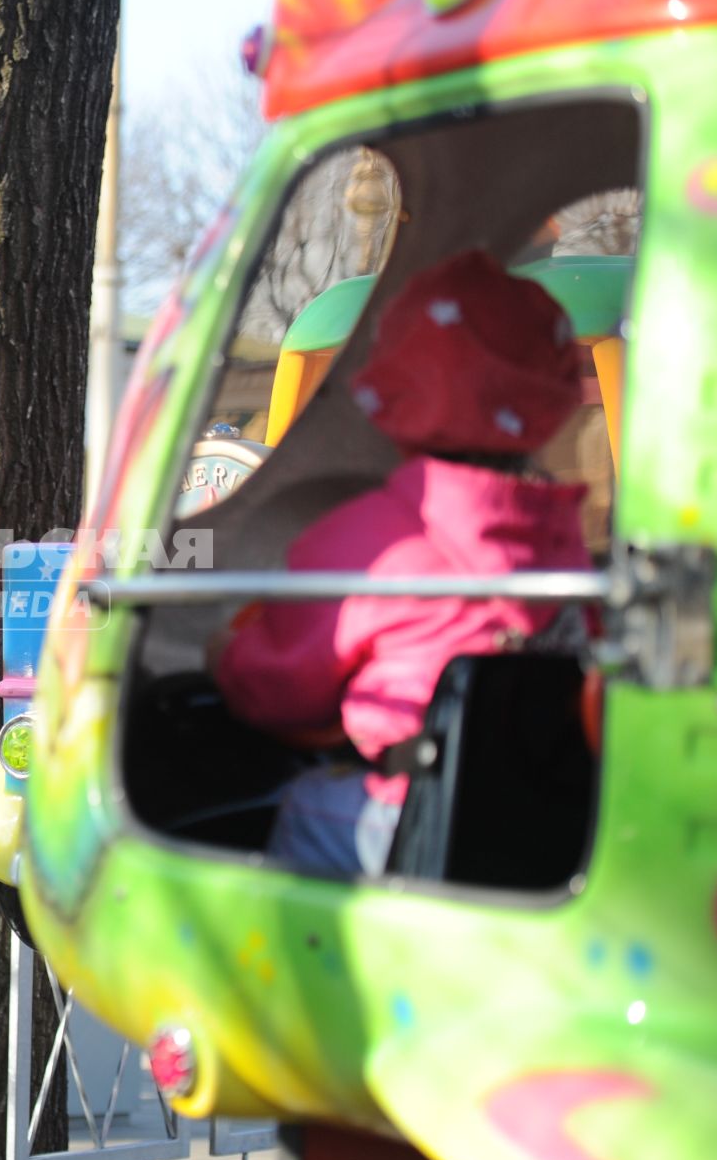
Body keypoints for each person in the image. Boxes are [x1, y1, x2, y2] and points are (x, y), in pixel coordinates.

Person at [211, 250, 591, 876]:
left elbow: (273, 692)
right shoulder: (565, 542)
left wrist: (225, 656)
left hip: (416, 823)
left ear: (397, 391)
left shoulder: (367, 543)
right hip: (553, 827)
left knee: (302, 804)